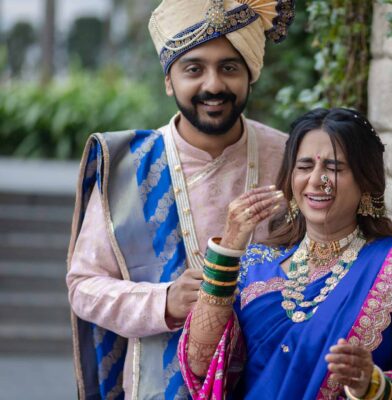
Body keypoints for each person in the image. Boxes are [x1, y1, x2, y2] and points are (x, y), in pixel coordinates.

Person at [66, 0, 295, 398]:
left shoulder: (289, 157)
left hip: (270, 381)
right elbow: (84, 287)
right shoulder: (129, 167)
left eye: (229, 67)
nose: (213, 85)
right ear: (169, 81)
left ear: (250, 75)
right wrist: (164, 301)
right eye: (194, 69)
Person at [177, 108, 392, 399]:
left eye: (334, 168)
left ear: (365, 181)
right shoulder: (254, 266)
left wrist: (372, 385)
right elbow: (200, 365)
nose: (317, 180)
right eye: (304, 166)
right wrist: (227, 250)